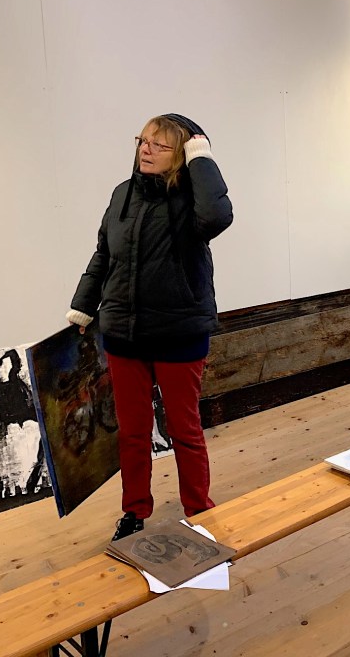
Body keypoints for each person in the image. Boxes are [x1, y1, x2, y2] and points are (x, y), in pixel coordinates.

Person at [67, 114, 233, 540]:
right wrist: (83, 305)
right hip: (124, 334)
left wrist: (201, 156)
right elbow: (104, 255)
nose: (146, 149)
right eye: (143, 140)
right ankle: (135, 511)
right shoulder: (122, 194)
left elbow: (217, 217)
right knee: (133, 433)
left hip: (180, 332)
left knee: (184, 430)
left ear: (183, 153)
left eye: (160, 145)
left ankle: (199, 509)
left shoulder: (195, 197)